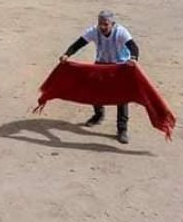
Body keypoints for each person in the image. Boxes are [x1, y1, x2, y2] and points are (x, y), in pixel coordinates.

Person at [59, 10, 140, 144]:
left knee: (122, 97)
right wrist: (67, 54)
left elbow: (133, 46)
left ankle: (122, 129)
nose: (102, 27)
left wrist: (133, 58)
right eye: (100, 24)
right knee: (94, 91)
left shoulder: (121, 31)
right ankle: (98, 115)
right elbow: (79, 43)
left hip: (119, 66)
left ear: (112, 24)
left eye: (106, 24)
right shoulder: (94, 31)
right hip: (101, 64)